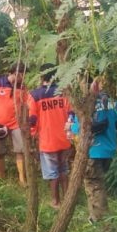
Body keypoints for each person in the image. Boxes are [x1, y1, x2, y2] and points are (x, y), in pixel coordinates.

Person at [71, 88, 117, 222]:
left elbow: (78, 128)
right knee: (96, 185)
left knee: (94, 185)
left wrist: (70, 126)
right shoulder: (112, 103)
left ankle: (103, 223)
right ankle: (94, 216)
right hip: (108, 152)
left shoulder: (84, 105)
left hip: (92, 151)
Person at [29, 63, 74, 208]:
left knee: (52, 173)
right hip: (64, 139)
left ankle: (55, 202)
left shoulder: (35, 95)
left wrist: (32, 134)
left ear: (41, 76)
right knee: (64, 169)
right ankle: (68, 200)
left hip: (48, 141)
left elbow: (32, 119)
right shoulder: (63, 92)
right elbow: (71, 114)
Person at [0, 63, 30, 185]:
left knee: (20, 150)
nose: (23, 77)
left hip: (16, 124)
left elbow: (26, 104)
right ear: (15, 73)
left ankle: (22, 178)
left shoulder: (22, 87)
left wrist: (26, 121)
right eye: (22, 74)